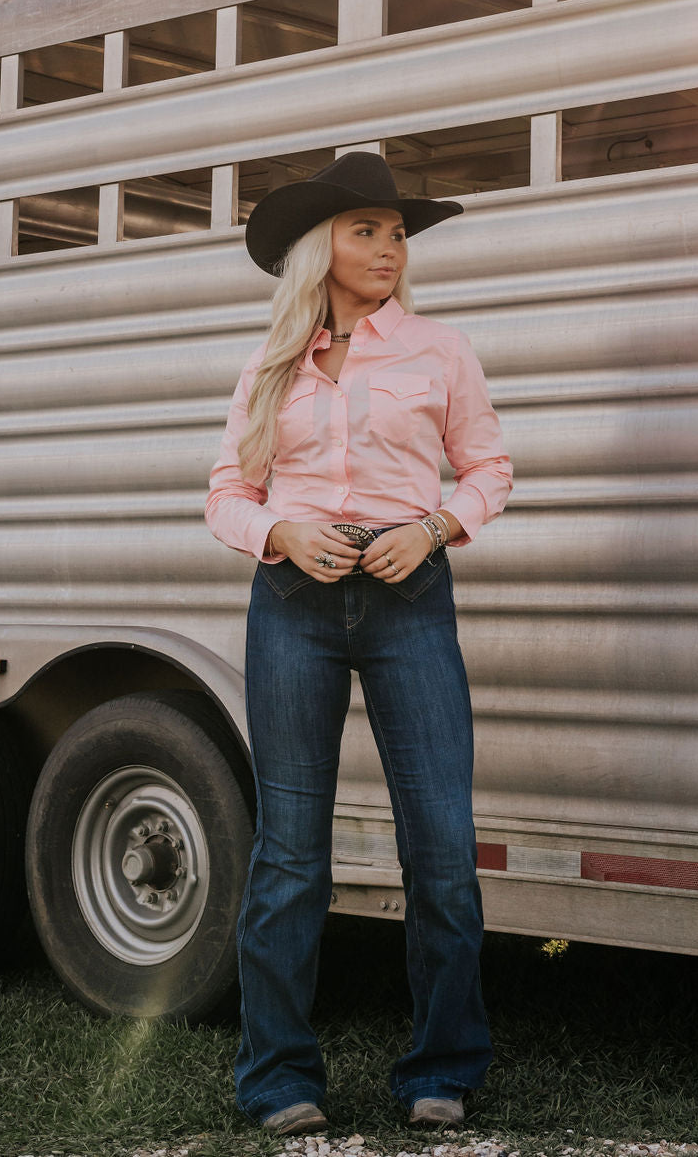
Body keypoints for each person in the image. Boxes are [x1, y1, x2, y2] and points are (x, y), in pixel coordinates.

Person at [205, 151, 513, 1138]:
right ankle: (278, 1077)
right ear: (320, 248)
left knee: (441, 848)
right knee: (291, 856)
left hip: (407, 596)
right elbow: (226, 491)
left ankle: (443, 1066)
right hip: (292, 599)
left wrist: (432, 528)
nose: (387, 247)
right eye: (364, 230)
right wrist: (277, 533)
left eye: (395, 231)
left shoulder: (438, 350)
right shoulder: (269, 364)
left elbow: (490, 467)